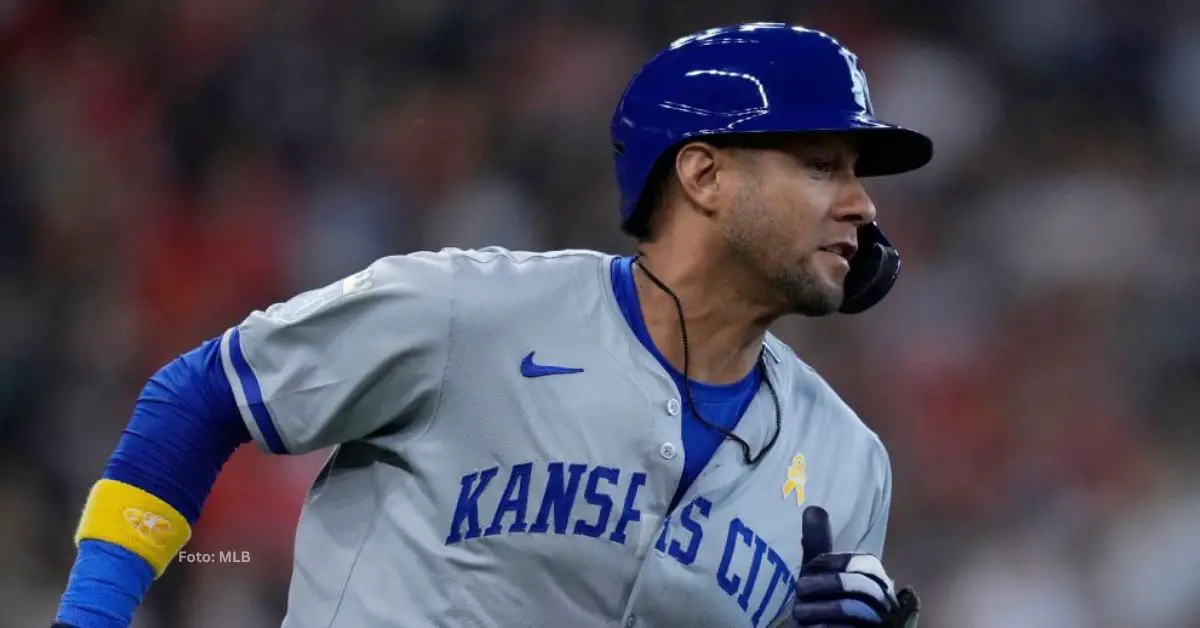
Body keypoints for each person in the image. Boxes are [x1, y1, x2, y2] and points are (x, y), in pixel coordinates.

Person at [55, 21, 930, 628]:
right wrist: (94, 613)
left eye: (856, 173)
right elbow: (198, 396)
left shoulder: (850, 466)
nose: (861, 204)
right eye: (822, 166)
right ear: (703, 175)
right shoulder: (469, 311)